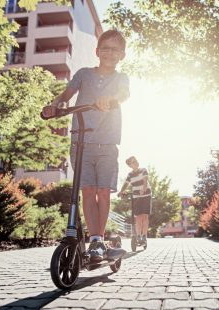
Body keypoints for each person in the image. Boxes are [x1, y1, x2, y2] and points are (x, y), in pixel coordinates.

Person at [41, 29, 129, 262]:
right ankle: (93, 240)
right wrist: (55, 104)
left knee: (103, 191)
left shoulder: (121, 78)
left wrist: (110, 100)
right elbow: (66, 94)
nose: (110, 52)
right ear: (97, 51)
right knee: (88, 191)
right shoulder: (83, 74)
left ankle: (98, 241)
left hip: (108, 143)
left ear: (122, 55)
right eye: (106, 48)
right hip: (81, 142)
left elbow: (124, 94)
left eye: (115, 49)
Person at [118, 156, 152, 244]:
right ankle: (138, 236)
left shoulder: (143, 170)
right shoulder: (130, 175)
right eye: (133, 162)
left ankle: (144, 236)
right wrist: (121, 191)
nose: (136, 162)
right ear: (130, 165)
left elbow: (145, 180)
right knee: (138, 216)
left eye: (136, 160)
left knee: (144, 216)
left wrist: (144, 189)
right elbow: (126, 183)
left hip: (146, 195)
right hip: (136, 196)